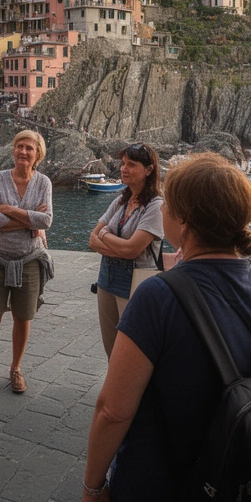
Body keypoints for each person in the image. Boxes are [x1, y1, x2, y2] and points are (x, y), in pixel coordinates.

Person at [81, 154, 251, 502]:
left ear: (185, 221)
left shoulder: (156, 297)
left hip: (155, 496)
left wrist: (93, 487)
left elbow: (113, 410)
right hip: (241, 497)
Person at [0, 131, 54, 397]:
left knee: (22, 317)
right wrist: (29, 220)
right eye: (19, 146)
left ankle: (16, 368)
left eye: (29, 148)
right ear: (13, 150)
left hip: (29, 258)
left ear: (37, 154)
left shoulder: (44, 183)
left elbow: (47, 221)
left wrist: (9, 210)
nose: (23, 152)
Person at [89, 143, 165, 358]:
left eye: (131, 165)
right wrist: (119, 248)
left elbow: (132, 249)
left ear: (149, 170)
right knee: (111, 347)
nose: (123, 169)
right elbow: (92, 241)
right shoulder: (120, 201)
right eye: (123, 164)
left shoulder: (155, 206)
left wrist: (105, 236)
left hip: (135, 281)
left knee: (133, 349)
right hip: (107, 278)